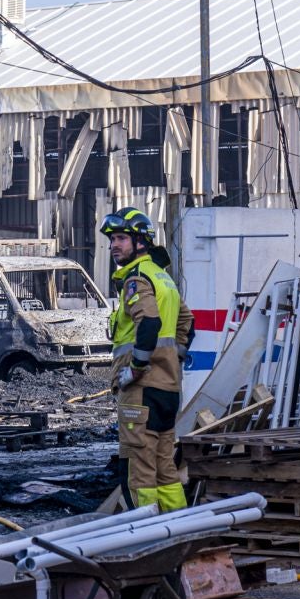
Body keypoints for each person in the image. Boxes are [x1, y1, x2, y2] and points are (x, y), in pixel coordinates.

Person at [98, 208, 194, 514]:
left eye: (122, 239)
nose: (115, 245)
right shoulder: (163, 278)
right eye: (112, 239)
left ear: (141, 242)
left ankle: (148, 536)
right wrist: (172, 358)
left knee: (139, 470)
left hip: (141, 391)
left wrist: (135, 369)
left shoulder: (136, 280)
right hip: (168, 389)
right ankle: (179, 528)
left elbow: (149, 323)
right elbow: (187, 322)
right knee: (165, 467)